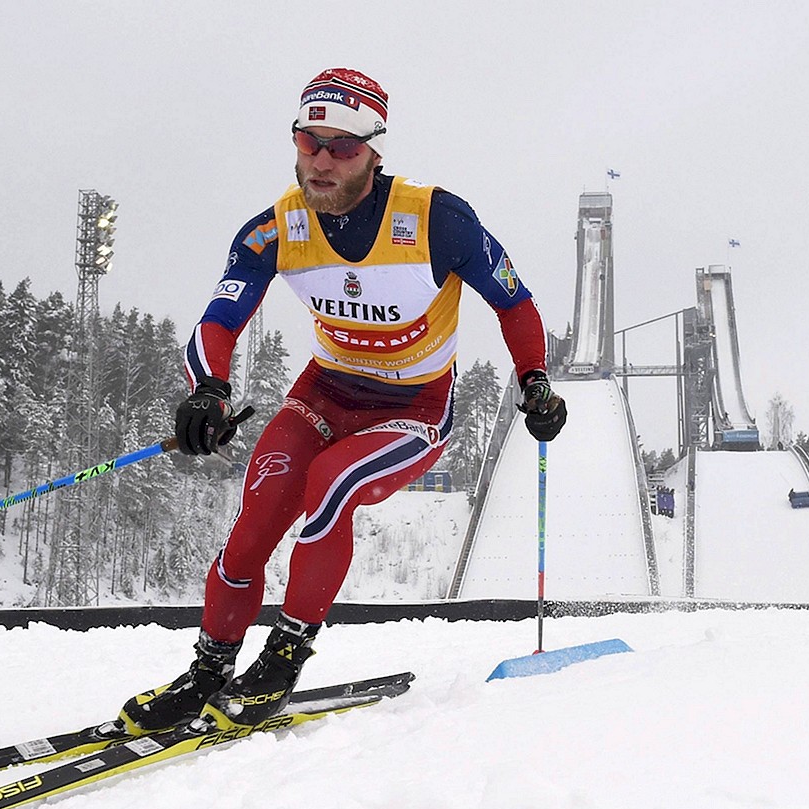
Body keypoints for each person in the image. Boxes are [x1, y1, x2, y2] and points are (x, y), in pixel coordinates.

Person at [119, 67, 566, 735]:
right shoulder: (275, 229)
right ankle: (206, 672)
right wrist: (208, 389)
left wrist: (535, 379)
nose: (322, 160)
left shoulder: (436, 219)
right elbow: (220, 318)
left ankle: (282, 659)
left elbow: (514, 301)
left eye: (343, 147)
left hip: (412, 411)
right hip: (324, 394)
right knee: (254, 520)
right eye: (309, 142)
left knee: (332, 482)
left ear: (374, 152)